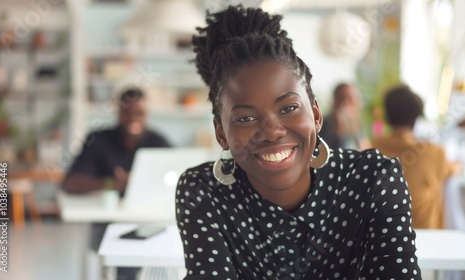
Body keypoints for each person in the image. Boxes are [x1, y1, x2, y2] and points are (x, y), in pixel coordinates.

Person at [175, 5, 421, 279]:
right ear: (221, 133)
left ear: (316, 115)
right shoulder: (203, 192)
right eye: (245, 118)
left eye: (288, 108)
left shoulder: (373, 178)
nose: (271, 131)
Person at [62, 87, 171, 280]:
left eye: (139, 113)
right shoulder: (98, 139)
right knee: (125, 249)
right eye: (127, 113)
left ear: (147, 114)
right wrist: (112, 183)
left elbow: (175, 179)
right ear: (118, 112)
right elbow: (70, 183)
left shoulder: (159, 142)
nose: (133, 118)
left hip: (149, 220)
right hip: (108, 222)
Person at [371, 85, 460, 229]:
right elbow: (452, 169)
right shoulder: (433, 153)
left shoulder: (372, 147)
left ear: (387, 116)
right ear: (416, 118)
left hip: (383, 238)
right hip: (425, 239)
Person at [318, 83, 370, 150]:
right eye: (341, 98)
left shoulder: (358, 128)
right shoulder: (322, 125)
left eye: (350, 99)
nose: (345, 103)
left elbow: (365, 150)